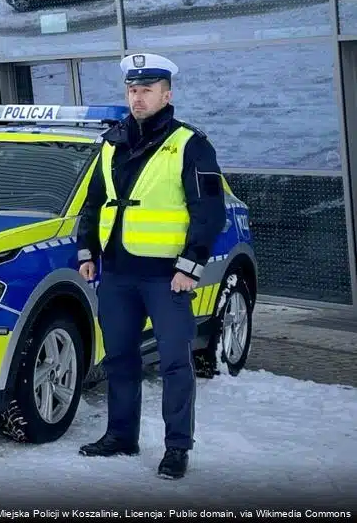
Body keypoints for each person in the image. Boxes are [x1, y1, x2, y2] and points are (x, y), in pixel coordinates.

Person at [75, 52, 227, 480]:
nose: (137, 98)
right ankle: (121, 435)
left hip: (166, 276)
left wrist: (190, 265)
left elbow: (208, 211)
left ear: (167, 95)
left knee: (175, 363)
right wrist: (87, 252)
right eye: (132, 90)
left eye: (146, 90)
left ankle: (177, 448)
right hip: (117, 273)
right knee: (120, 359)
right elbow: (94, 202)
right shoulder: (112, 141)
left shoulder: (190, 144)